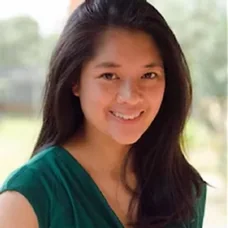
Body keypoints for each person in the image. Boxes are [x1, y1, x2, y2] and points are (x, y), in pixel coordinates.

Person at [0, 0, 207, 227]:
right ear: (75, 82)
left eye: (149, 75)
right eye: (109, 75)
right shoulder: (28, 197)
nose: (130, 96)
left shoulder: (186, 188)